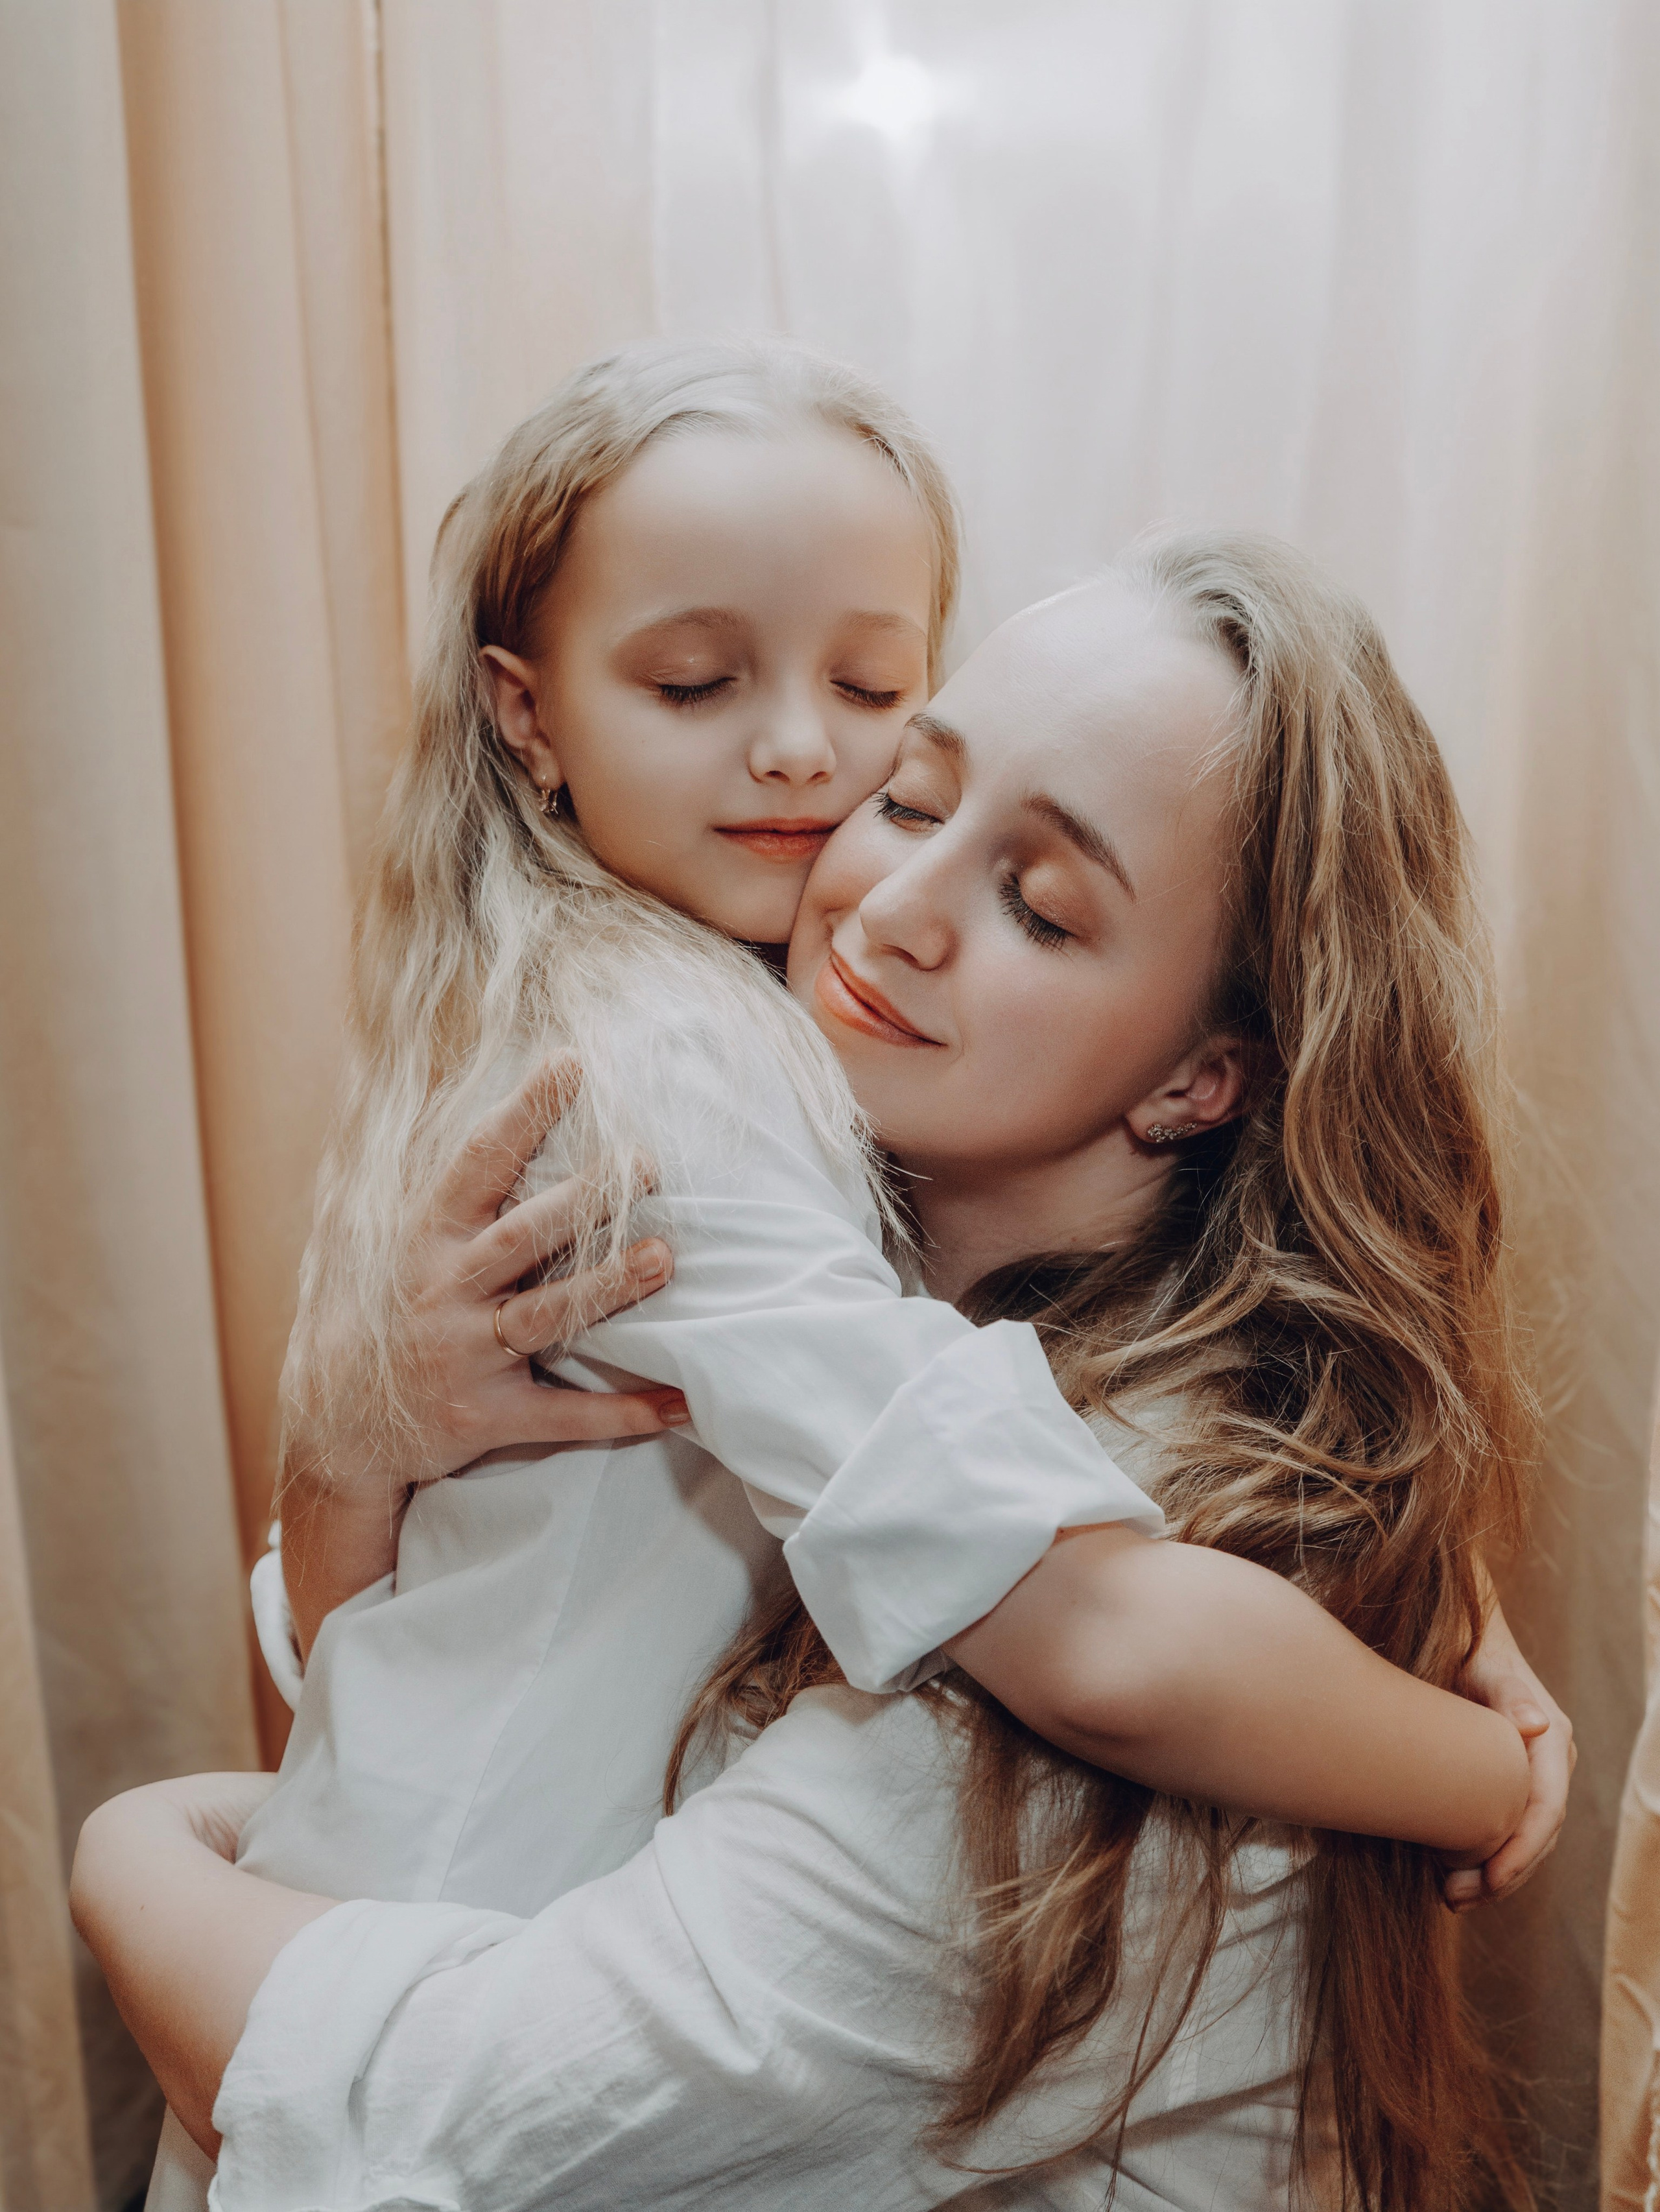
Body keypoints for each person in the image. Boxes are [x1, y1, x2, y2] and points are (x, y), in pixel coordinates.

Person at [77, 531, 1569, 2209]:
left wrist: (124, 1845)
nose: (896, 906)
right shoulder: (816, 1302)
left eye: (1042, 906)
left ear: (1199, 1082)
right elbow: (416, 1754)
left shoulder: (1147, 1560)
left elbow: (441, 2118)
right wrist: (349, 1459)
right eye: (915, 796)